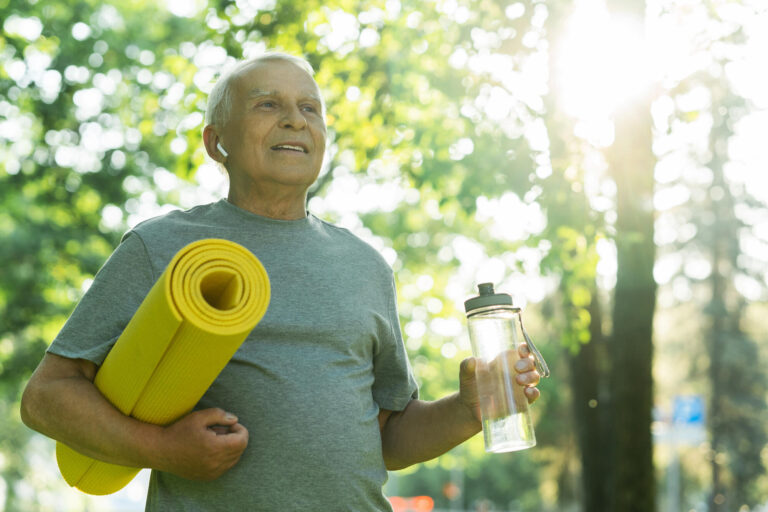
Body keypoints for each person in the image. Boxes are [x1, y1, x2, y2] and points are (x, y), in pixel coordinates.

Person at [20, 52, 541, 510]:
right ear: (216, 142)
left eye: (310, 108)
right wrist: (164, 451)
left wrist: (470, 409)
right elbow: (46, 396)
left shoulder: (365, 266)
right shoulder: (160, 247)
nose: (295, 120)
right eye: (267, 105)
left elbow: (388, 438)